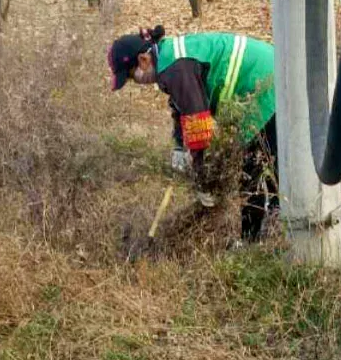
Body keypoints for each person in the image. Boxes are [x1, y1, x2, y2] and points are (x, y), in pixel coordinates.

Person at [107, 26, 278, 242]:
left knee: (256, 167)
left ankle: (255, 241)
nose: (137, 82)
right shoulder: (168, 57)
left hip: (264, 85)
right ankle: (264, 233)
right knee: (261, 166)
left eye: (132, 77)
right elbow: (181, 107)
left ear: (143, 60)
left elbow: (198, 124)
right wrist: (179, 147)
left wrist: (201, 176)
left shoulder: (175, 68)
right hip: (262, 77)